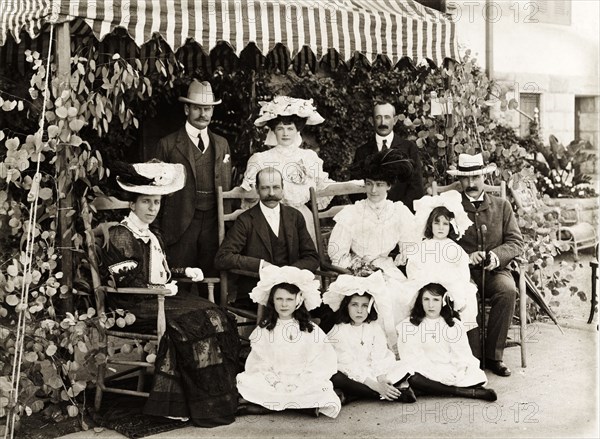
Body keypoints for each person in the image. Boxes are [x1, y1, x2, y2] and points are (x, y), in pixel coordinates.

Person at [101, 161, 240, 427]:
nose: (153, 208)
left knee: (218, 315)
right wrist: (160, 290)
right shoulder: (121, 234)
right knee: (195, 321)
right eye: (146, 202)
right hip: (133, 304)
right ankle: (174, 401)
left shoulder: (153, 234)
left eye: (156, 202)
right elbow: (127, 281)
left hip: (160, 297)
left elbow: (160, 271)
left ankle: (210, 398)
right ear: (132, 204)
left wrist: (184, 270)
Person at [327, 148, 416, 349]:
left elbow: (411, 250)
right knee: (383, 296)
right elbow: (338, 255)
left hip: (388, 270)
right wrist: (364, 270)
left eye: (379, 185)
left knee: (404, 295)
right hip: (355, 272)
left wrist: (403, 266)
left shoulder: (398, 212)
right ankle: (372, 352)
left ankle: (398, 353)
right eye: (369, 184)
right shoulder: (352, 213)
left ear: (389, 186)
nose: (373, 190)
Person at [450, 153, 524, 377]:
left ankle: (493, 357)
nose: (471, 184)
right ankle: (470, 357)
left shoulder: (502, 207)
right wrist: (465, 257)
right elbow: (439, 240)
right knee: (464, 296)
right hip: (461, 273)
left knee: (507, 291)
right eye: (465, 179)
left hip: (495, 270)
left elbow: (515, 242)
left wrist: (494, 256)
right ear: (460, 181)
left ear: (484, 177)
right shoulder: (451, 207)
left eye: (475, 177)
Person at [236, 265, 342, 418]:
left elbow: (321, 359)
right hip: (274, 378)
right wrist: (276, 383)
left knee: (320, 389)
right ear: (273, 301)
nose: (284, 304)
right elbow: (260, 362)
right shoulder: (265, 329)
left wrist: (301, 381)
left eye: (289, 300)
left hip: (303, 379)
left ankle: (266, 406)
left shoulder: (309, 328)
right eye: (279, 299)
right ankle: (300, 406)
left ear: (298, 301)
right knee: (249, 382)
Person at [155, 79, 232, 287]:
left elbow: (227, 184)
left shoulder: (222, 144)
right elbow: (156, 190)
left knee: (212, 279)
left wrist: (227, 223)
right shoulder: (169, 144)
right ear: (187, 109)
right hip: (180, 220)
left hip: (214, 222)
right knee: (181, 279)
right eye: (197, 108)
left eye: (207, 109)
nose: (203, 114)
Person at [214, 167, 319, 308]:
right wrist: (261, 265)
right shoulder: (246, 220)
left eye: (276, 187)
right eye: (265, 188)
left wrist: (289, 273)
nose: (271, 193)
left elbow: (312, 257)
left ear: (283, 188)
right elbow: (223, 258)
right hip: (257, 293)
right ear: (257, 189)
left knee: (326, 311)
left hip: (293, 290)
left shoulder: (295, 217)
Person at [240, 95, 333, 244]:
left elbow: (324, 187)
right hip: (270, 218)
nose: (285, 133)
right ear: (273, 131)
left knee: (305, 261)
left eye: (290, 128)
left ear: (297, 130)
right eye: (280, 128)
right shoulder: (261, 159)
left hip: (302, 218)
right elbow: (249, 194)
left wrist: (357, 183)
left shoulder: (309, 157)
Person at [323, 271, 416, 404]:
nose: (359, 310)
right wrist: (377, 386)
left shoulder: (373, 326)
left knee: (405, 367)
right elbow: (348, 364)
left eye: (364, 305)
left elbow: (379, 355)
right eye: (354, 305)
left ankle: (354, 395)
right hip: (351, 372)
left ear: (371, 307)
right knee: (336, 377)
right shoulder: (339, 330)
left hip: (372, 369)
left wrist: (382, 379)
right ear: (346, 306)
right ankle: (383, 393)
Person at [396, 281, 498, 401]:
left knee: (472, 374)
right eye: (426, 299)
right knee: (412, 377)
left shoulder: (453, 324)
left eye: (435, 300)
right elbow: (413, 358)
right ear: (420, 301)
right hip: (425, 369)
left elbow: (462, 354)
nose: (430, 305)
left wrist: (459, 372)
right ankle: (465, 392)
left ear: (443, 302)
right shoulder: (410, 325)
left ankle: (427, 390)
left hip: (450, 368)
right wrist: (437, 373)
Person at [405, 190, 478, 330]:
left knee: (463, 295)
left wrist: (452, 284)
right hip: (426, 286)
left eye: (445, 224)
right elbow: (412, 268)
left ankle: (452, 327)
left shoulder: (454, 248)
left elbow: (463, 272)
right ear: (429, 225)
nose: (440, 227)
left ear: (451, 226)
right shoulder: (422, 246)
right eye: (436, 223)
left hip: (449, 288)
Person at [351, 100, 424, 212]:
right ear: (372, 121)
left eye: (387, 117)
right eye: (378, 117)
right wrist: (373, 211)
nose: (383, 122)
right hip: (371, 216)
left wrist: (397, 211)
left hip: (402, 214)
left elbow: (416, 188)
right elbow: (356, 188)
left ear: (394, 120)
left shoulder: (409, 148)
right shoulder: (362, 152)